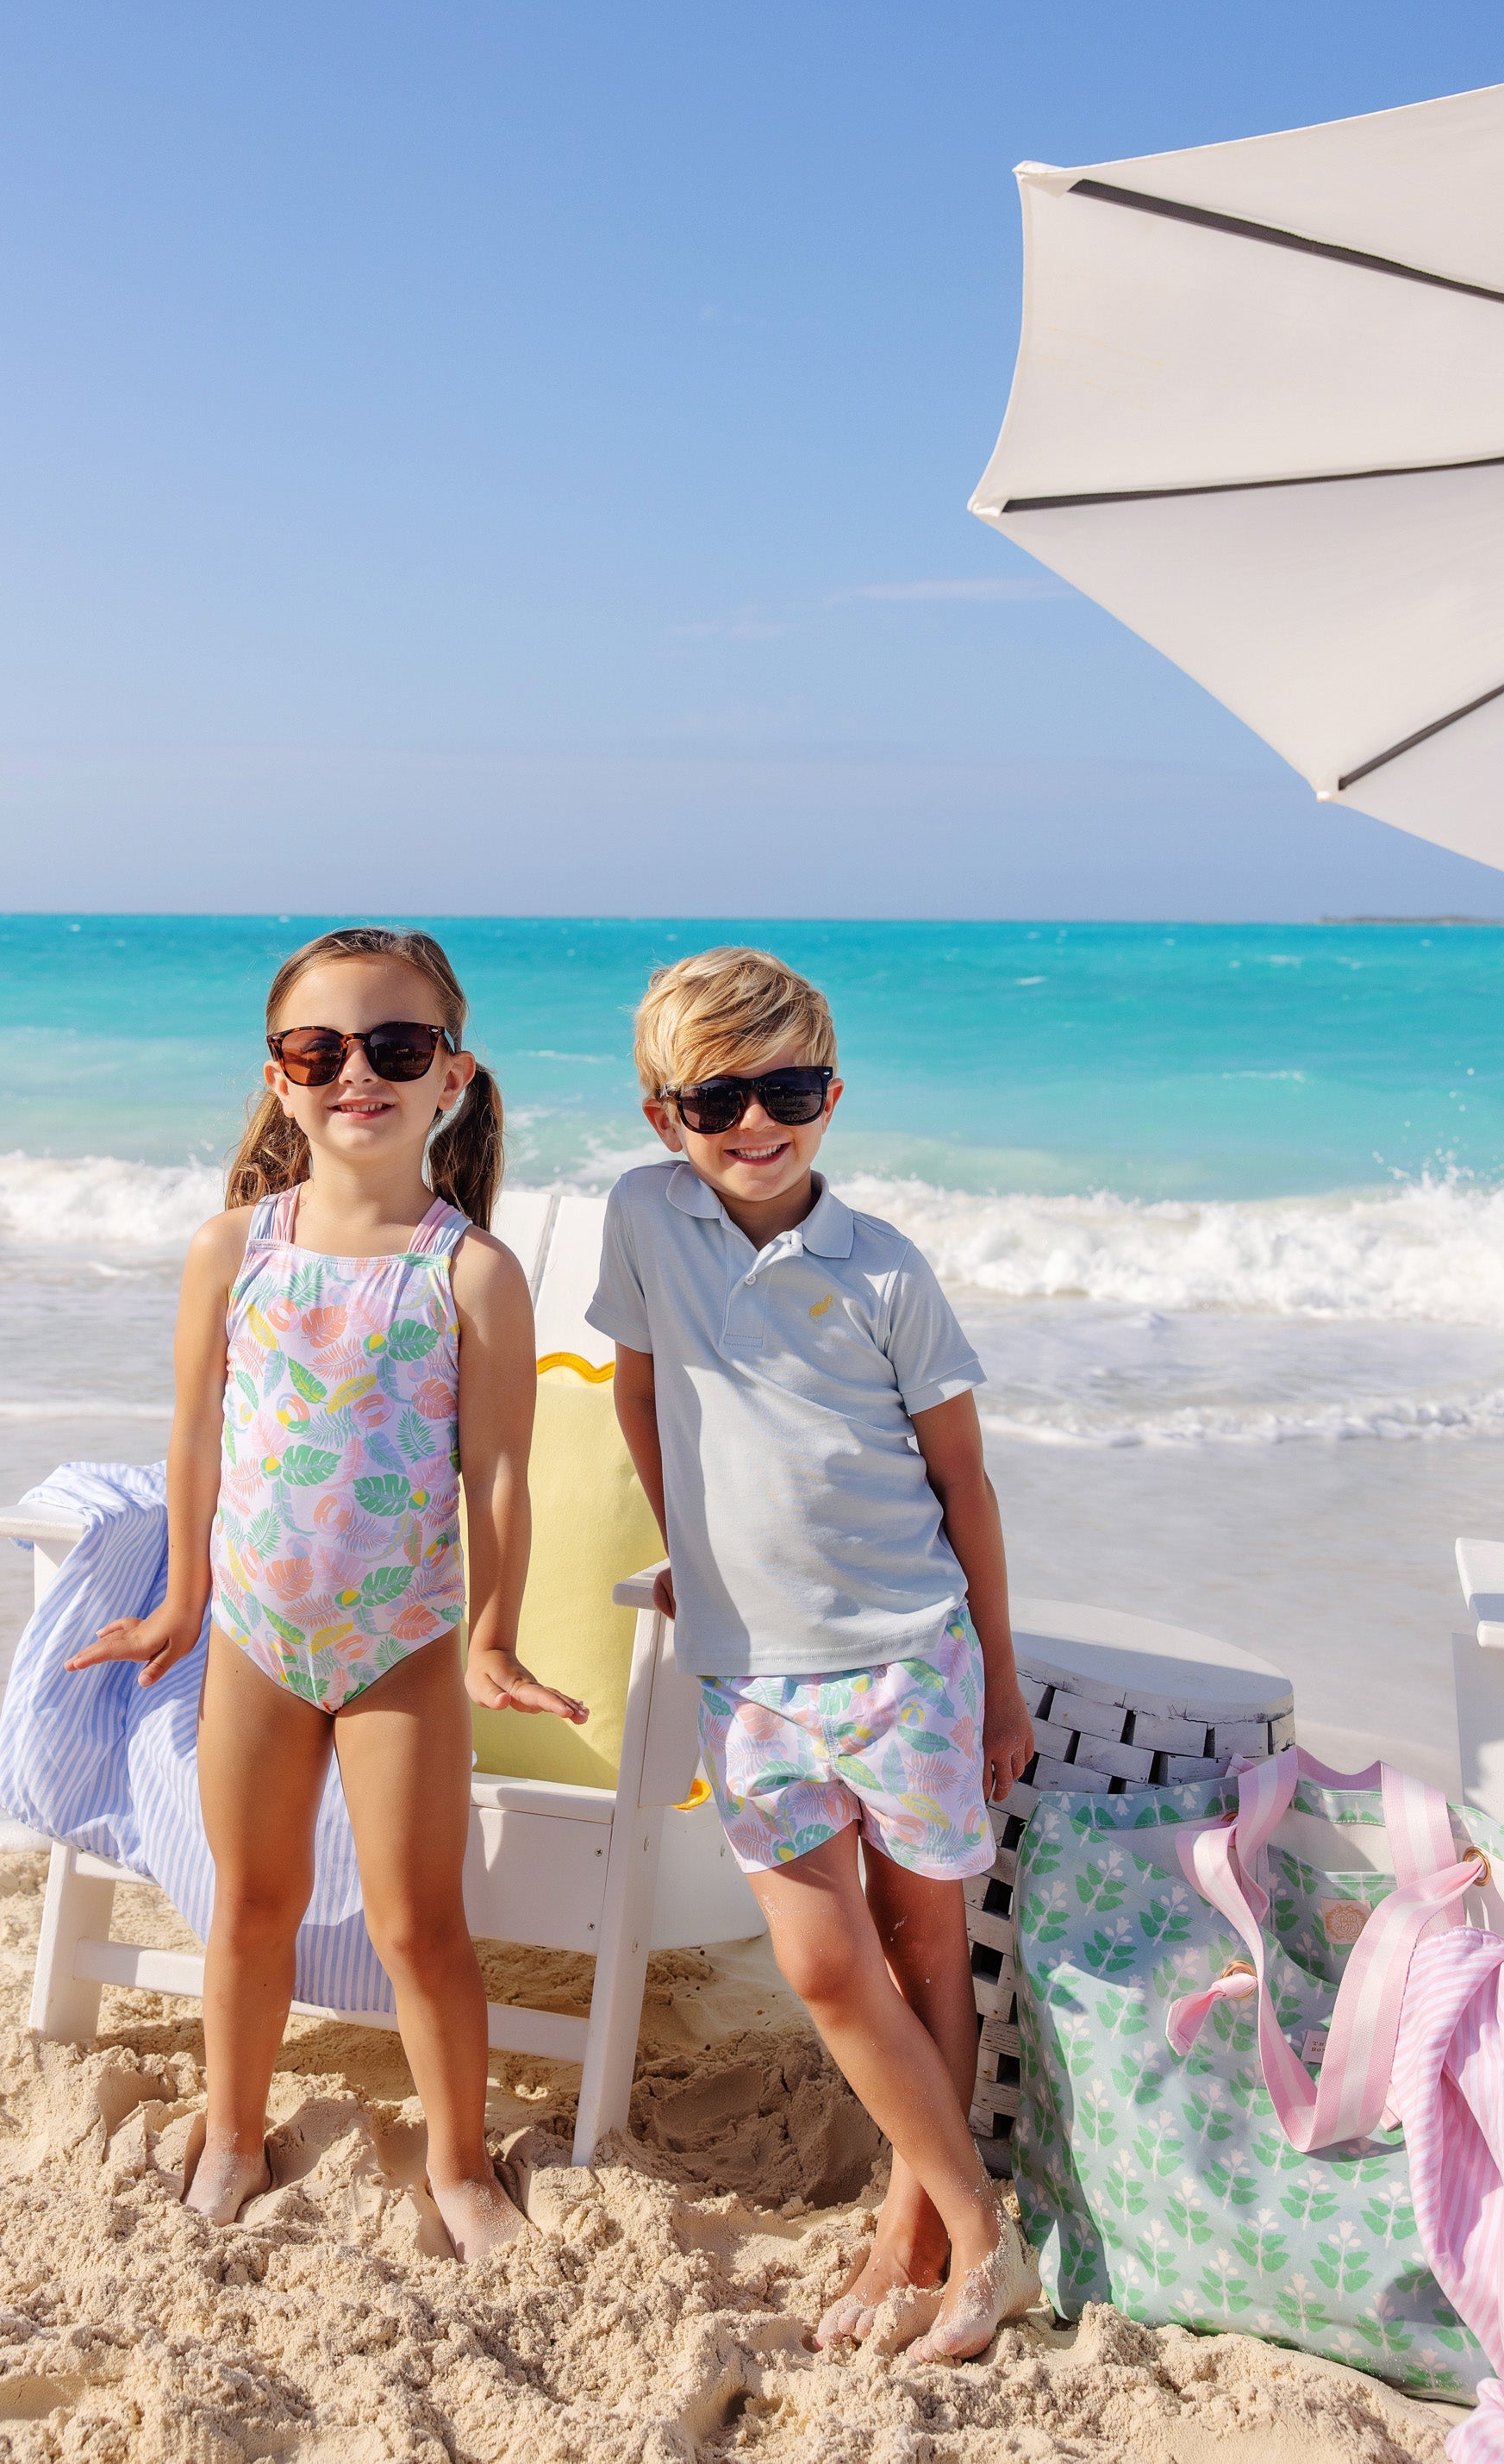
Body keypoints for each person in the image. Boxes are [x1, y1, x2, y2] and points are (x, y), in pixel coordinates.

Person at [66, 925, 585, 2252]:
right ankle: (233, 2133)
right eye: (321, 1048)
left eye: (395, 1046)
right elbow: (193, 1437)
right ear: (282, 1075)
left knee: (421, 1924)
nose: (358, 1071)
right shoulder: (232, 1247)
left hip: (401, 1643)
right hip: (253, 1630)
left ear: (450, 1074)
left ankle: (462, 2167)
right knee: (252, 1902)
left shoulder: (469, 1269)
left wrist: (491, 1637)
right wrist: (184, 1600)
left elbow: (500, 1475)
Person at [588, 945, 1039, 2362]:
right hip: (749, 1673)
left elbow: (965, 1485)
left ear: (832, 1090)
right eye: (719, 1097)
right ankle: (983, 2230)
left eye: (789, 1087)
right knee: (829, 1968)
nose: (756, 1121)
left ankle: (916, 2235)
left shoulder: (885, 1268)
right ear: (666, 1114)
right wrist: (698, 1550)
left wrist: (1002, 1678)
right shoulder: (644, 1219)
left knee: (921, 1956)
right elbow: (641, 1395)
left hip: (910, 1656)